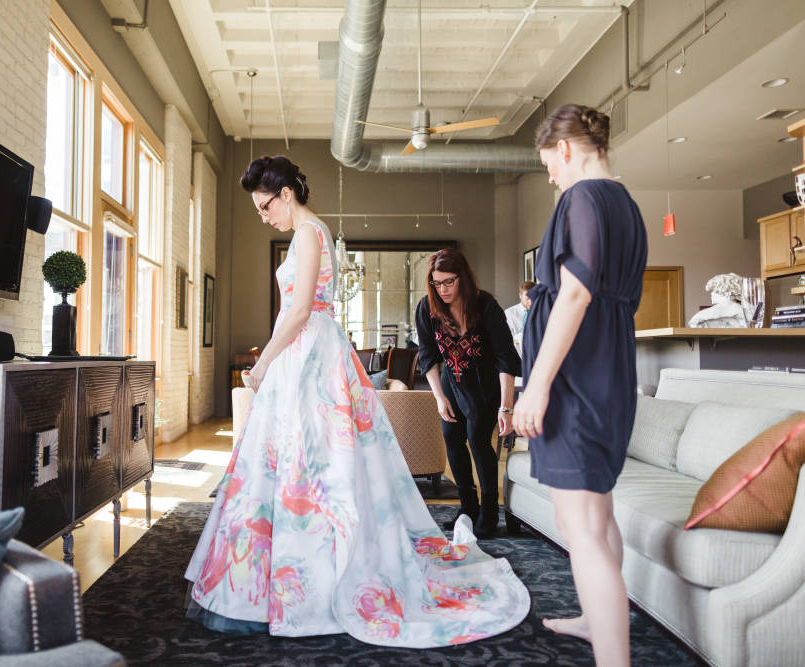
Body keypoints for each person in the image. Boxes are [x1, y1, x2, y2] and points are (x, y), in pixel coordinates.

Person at [185, 156, 530, 647]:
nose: (263, 216)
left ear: (286, 194)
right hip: (313, 349)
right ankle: (304, 561)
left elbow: (300, 308)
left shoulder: (307, 233)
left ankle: (309, 572)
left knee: (311, 463)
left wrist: (263, 365)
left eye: (265, 206)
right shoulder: (313, 233)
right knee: (316, 462)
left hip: (311, 351)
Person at [514, 104, 648, 667]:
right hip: (606, 370)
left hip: (577, 380)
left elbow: (577, 293)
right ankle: (598, 620)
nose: (550, 176)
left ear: (565, 149)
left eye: (548, 163)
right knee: (597, 515)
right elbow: (584, 292)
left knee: (583, 526)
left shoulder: (583, 197)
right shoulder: (628, 206)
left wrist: (537, 385)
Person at [415, 249, 520, 539]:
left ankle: (488, 510)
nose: (443, 289)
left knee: (477, 440)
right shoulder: (427, 308)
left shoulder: (485, 306)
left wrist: (506, 407)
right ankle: (468, 508)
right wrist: (439, 397)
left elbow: (505, 358)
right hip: (451, 380)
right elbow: (427, 356)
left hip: (485, 383)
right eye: (437, 283)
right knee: (451, 437)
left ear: (463, 277)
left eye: (449, 282)